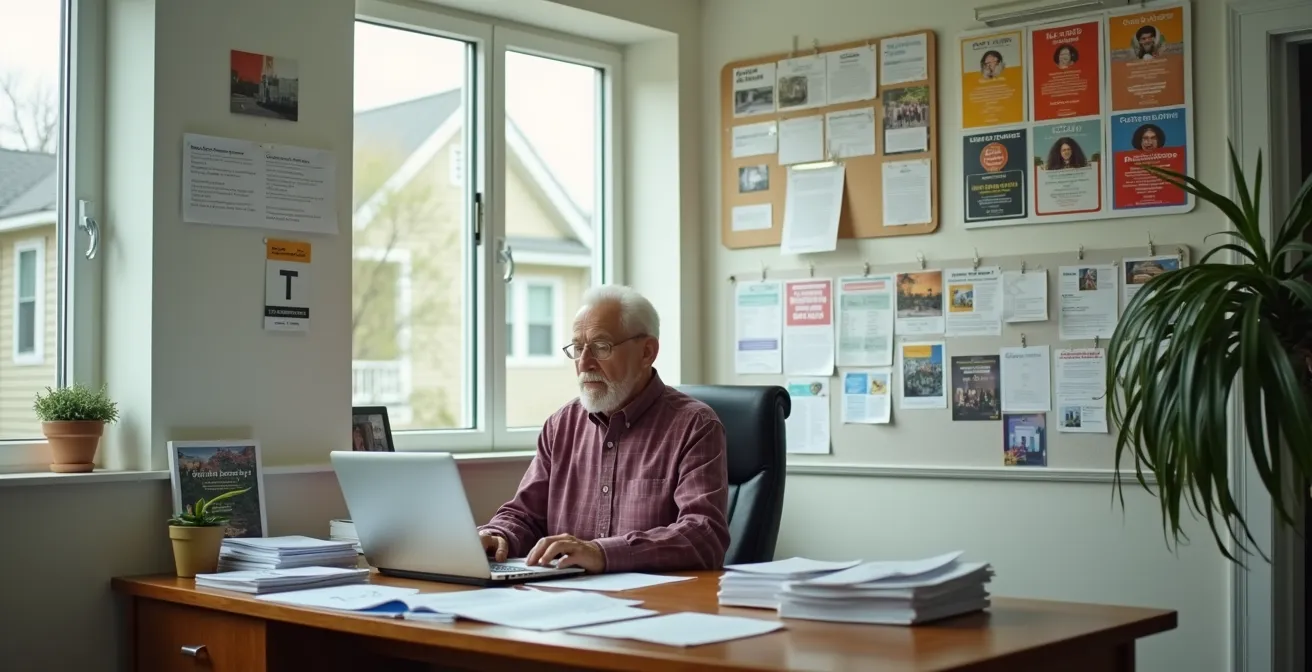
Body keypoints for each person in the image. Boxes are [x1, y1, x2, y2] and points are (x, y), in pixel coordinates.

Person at [476, 285, 730, 574]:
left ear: (647, 352)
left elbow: (703, 536)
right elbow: (526, 515)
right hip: (565, 601)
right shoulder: (562, 425)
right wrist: (499, 536)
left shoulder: (694, 425)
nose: (584, 363)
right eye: (578, 348)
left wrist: (602, 552)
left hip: (654, 607)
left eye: (600, 347)